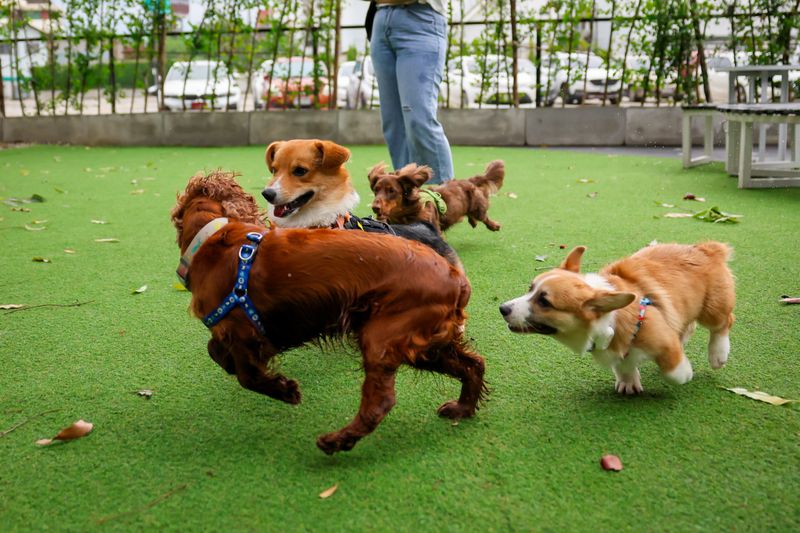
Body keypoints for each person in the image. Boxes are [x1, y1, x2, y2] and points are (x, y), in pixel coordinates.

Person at [368, 0, 453, 184]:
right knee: (393, 123)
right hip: (380, 21)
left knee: (418, 117)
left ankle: (442, 197)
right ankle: (408, 200)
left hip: (420, 19)